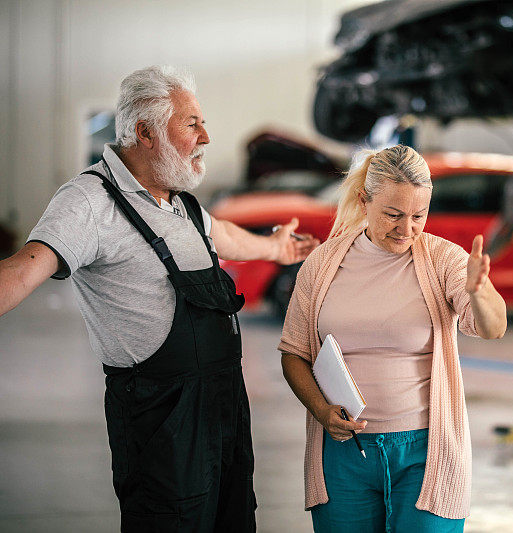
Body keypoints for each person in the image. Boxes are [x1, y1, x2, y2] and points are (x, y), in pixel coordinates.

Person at [0, 65, 319, 532]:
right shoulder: (89, 201)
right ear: (146, 133)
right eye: (192, 124)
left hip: (222, 409)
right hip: (161, 422)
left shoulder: (180, 201)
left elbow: (222, 235)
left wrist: (276, 247)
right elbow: (26, 266)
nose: (206, 136)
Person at [279, 145, 507, 532]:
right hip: (343, 452)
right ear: (364, 201)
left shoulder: (443, 260)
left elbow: (493, 327)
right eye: (393, 215)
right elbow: (294, 353)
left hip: (425, 453)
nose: (407, 229)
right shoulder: (322, 264)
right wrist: (320, 410)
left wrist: (479, 290)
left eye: (419, 215)